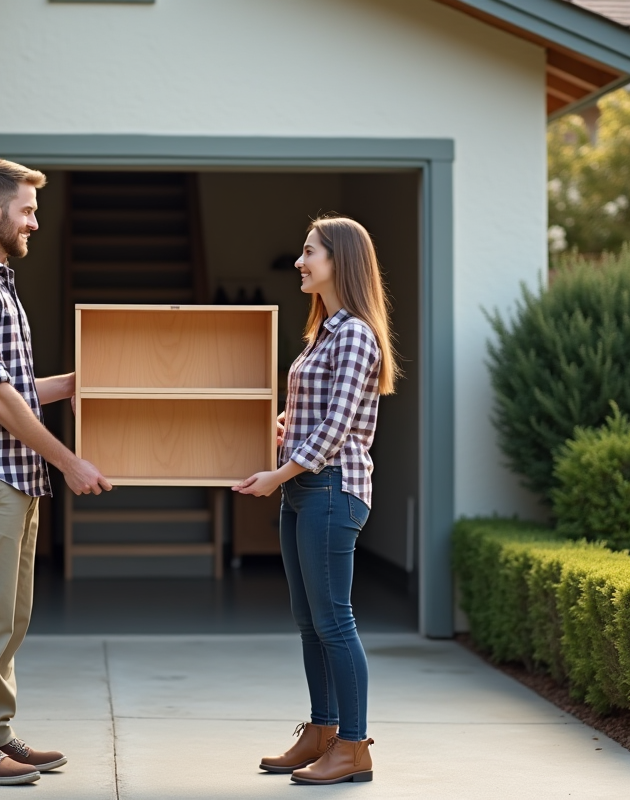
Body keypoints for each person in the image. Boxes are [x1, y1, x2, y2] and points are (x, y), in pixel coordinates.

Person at [0, 159, 112, 786]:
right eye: (28, 209)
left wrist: (82, 386)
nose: (36, 220)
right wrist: (69, 461)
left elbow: (16, 386)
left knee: (9, 616)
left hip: (12, 476)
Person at [233, 215, 398, 786]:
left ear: (340, 261)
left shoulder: (354, 333)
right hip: (305, 486)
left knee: (334, 622)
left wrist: (277, 474)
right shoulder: (323, 332)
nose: (300, 262)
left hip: (332, 488)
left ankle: (354, 746)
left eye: (311, 253)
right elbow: (314, 421)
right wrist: (283, 430)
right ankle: (323, 731)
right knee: (310, 622)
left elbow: (337, 427)